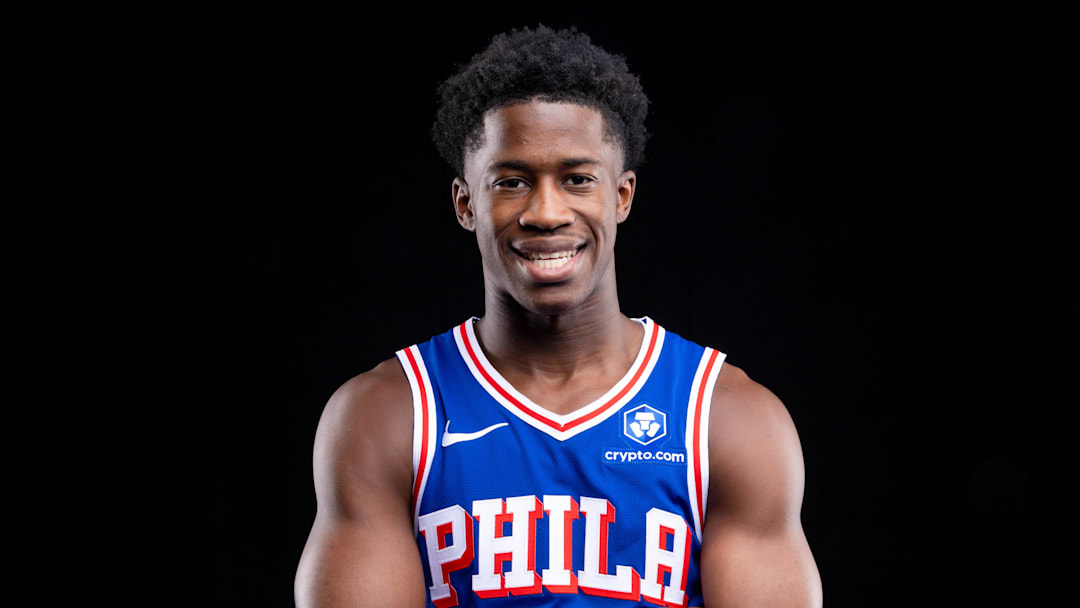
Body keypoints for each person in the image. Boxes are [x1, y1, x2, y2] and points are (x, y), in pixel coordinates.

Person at [295, 24, 822, 608]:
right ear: (466, 203)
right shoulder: (388, 416)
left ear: (620, 197)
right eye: (512, 182)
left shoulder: (726, 417)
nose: (546, 213)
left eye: (577, 179)